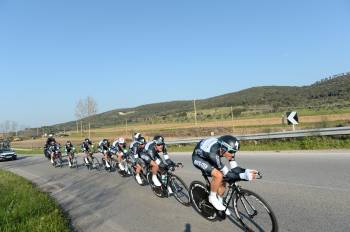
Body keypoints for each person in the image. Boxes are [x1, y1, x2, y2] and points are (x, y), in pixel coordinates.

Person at [192, 135, 258, 215]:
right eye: (231, 152)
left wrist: (247, 171)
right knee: (218, 175)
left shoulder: (227, 150)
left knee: (223, 178)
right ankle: (212, 198)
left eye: (234, 152)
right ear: (223, 149)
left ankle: (220, 200)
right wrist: (244, 176)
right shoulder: (213, 153)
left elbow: (235, 169)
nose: (232, 154)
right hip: (199, 158)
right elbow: (228, 173)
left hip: (211, 153)